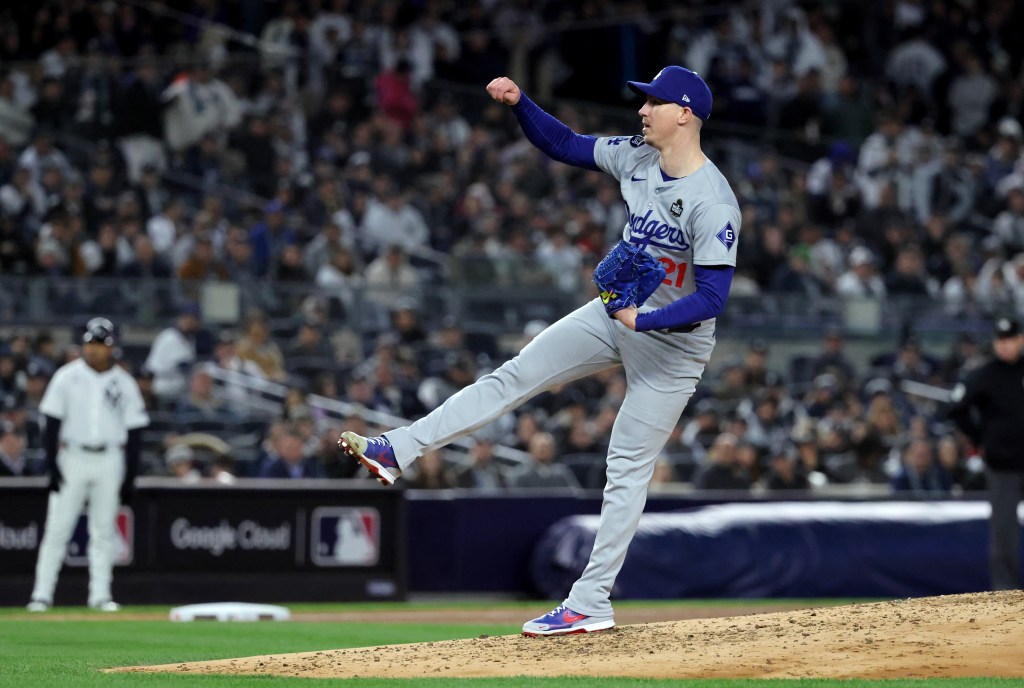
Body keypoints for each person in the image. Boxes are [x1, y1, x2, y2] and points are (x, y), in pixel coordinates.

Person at [339, 66, 740, 636]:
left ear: (685, 114)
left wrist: (645, 318)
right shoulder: (638, 157)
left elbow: (713, 297)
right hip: (615, 316)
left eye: (652, 102)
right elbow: (566, 144)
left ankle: (590, 601)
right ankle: (395, 448)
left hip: (674, 350)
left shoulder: (714, 201)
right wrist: (521, 102)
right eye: (642, 101)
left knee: (626, 467)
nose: (641, 110)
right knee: (513, 375)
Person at [27, 318, 149, 612]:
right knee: (57, 527)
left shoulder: (123, 381)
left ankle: (100, 595)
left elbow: (135, 431)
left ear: (111, 347)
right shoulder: (67, 376)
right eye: (89, 344)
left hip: (109, 457)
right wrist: (52, 466)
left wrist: (130, 476)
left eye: (99, 344)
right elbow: (51, 424)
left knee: (104, 530)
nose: (93, 350)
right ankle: (42, 595)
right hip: (73, 457)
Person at [948, 317, 1024, 590]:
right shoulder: (985, 375)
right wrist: (981, 438)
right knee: (1003, 531)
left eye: (1010, 339)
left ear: (1020, 339)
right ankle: (1006, 594)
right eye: (1000, 340)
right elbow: (958, 409)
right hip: (1002, 463)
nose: (1005, 346)